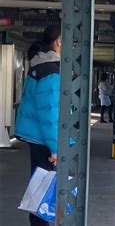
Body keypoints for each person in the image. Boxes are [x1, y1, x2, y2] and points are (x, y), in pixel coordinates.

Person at [15, 25, 61, 226]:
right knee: (44, 192)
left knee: (41, 188)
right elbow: (49, 113)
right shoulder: (51, 71)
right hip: (45, 141)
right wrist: (56, 148)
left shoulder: (39, 66)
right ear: (59, 42)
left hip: (38, 139)